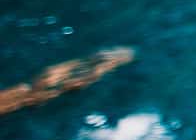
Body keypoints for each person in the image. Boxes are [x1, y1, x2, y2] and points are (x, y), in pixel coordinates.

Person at [0, 47, 134, 118]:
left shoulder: (50, 77)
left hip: (37, 88)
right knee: (30, 93)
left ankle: (109, 60)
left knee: (29, 92)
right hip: (35, 92)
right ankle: (111, 60)